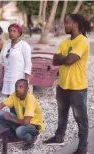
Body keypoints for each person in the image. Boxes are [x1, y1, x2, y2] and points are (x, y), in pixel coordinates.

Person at [44, 14, 91, 154]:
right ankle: (59, 137)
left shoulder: (82, 41)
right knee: (62, 113)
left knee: (81, 119)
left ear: (75, 24)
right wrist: (64, 58)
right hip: (62, 85)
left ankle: (83, 147)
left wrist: (62, 58)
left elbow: (69, 60)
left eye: (67, 23)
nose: (65, 25)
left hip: (77, 87)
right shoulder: (64, 42)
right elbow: (54, 60)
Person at [0, 79, 44, 150]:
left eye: (21, 87)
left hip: (33, 125)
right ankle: (14, 137)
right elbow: (0, 106)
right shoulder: (15, 94)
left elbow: (26, 122)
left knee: (19, 131)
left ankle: (31, 140)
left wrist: (10, 119)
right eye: (16, 86)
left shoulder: (30, 99)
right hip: (21, 120)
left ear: (27, 89)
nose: (17, 89)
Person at [0, 24, 32, 97]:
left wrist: (26, 82)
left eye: (14, 31)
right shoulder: (6, 45)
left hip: (19, 79)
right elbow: (4, 64)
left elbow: (28, 64)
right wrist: (1, 79)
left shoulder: (24, 45)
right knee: (10, 102)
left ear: (19, 33)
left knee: (19, 104)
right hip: (8, 80)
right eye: (10, 31)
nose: (11, 33)